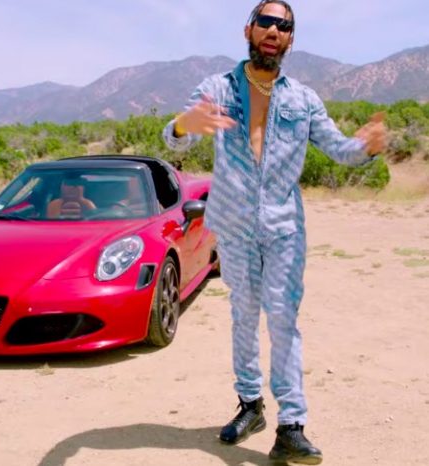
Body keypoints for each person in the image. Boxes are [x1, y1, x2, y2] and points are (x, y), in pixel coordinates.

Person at [162, 1, 387, 464]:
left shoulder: (303, 99)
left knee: (283, 318)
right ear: (248, 29)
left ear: (290, 38)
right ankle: (250, 405)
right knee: (244, 316)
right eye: (265, 22)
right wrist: (184, 126)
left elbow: (339, 150)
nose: (273, 30)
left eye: (283, 26)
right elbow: (175, 135)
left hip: (284, 228)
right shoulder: (217, 88)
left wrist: (365, 148)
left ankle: (292, 426)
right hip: (234, 226)